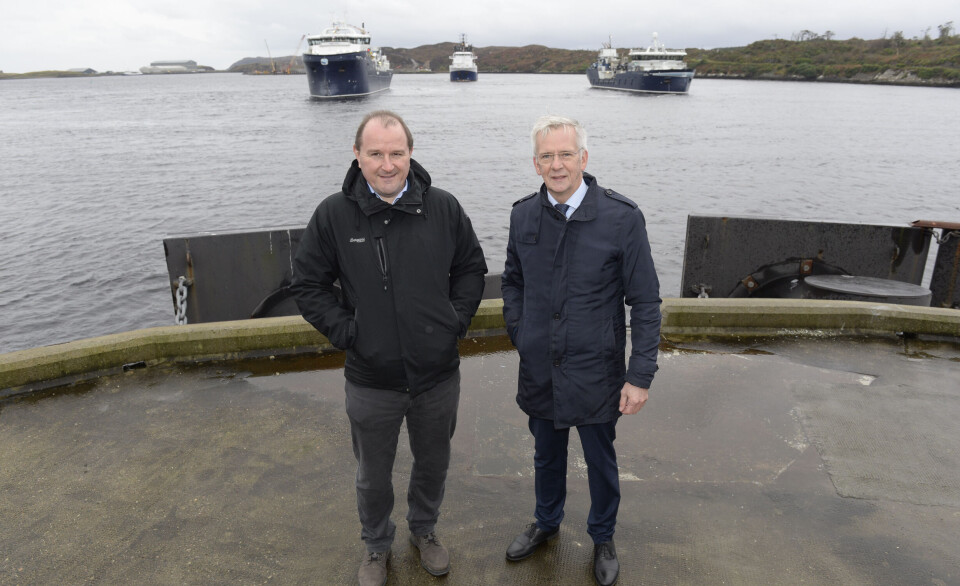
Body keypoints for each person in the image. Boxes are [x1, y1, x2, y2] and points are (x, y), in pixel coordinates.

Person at [290, 110, 487, 586]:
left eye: (396, 153)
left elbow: (470, 269)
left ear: (410, 153)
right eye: (375, 153)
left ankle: (424, 531)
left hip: (436, 374)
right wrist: (350, 333)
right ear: (357, 156)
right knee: (372, 475)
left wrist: (453, 322)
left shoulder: (443, 207)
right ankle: (376, 545)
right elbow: (309, 284)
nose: (387, 163)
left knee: (433, 463)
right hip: (371, 378)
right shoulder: (334, 215)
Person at [501, 115, 661, 586]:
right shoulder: (522, 215)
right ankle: (546, 522)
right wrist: (522, 332)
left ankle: (602, 536)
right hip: (540, 366)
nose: (557, 164)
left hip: (597, 368)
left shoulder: (622, 217)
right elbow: (513, 281)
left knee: (599, 458)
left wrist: (640, 375)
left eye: (565, 154)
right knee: (546, 454)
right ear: (536, 163)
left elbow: (645, 300)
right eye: (547, 156)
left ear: (583, 158)